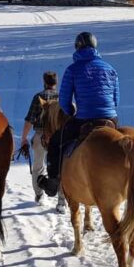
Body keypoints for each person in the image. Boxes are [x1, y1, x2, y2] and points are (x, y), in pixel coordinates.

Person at [37, 32, 120, 196]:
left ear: (78, 47)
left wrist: (71, 114)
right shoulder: (110, 69)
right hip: (110, 118)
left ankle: (52, 183)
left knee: (55, 142)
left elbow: (64, 102)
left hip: (85, 119)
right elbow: (116, 99)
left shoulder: (72, 70)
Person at [20, 71, 66, 209]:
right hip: (60, 136)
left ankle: (39, 195)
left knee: (38, 166)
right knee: (62, 168)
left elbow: (30, 119)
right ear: (56, 83)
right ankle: (62, 200)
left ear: (44, 82)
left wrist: (23, 138)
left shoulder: (38, 97)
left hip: (41, 135)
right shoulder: (62, 97)